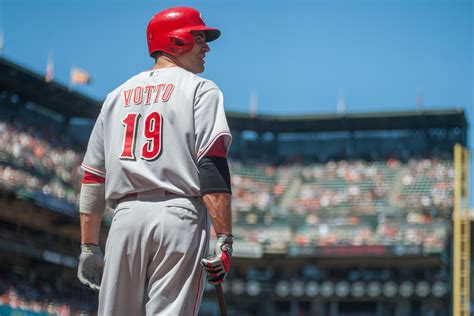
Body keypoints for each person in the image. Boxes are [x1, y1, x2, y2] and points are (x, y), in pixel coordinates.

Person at [76, 7, 233, 315]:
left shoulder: (116, 96)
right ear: (176, 41)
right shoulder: (201, 90)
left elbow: (93, 178)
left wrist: (89, 246)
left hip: (125, 219)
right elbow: (212, 166)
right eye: (199, 37)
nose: (207, 47)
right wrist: (225, 239)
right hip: (179, 215)